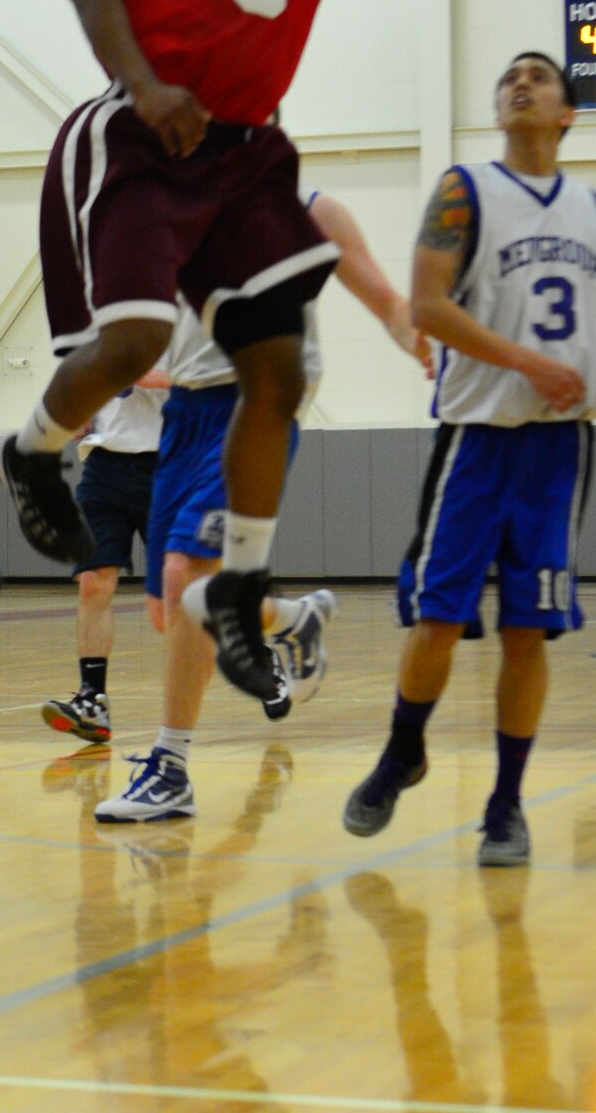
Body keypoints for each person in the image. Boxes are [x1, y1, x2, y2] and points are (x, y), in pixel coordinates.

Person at [0, 0, 596, 708]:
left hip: (244, 156)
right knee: (130, 343)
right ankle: (32, 446)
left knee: (280, 371)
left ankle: (248, 584)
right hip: (142, 126)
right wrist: (145, 82)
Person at [342, 51, 596, 867]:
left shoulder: (595, 208)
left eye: (540, 76)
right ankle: (400, 752)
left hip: (561, 449)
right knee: (439, 618)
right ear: (499, 111)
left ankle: (506, 805)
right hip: (479, 439)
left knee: (530, 630)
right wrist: (528, 363)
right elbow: (426, 308)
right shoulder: (465, 191)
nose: (520, 83)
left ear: (568, 113)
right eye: (509, 79)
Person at [97, 190, 431, 822]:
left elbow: (387, 301)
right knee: (172, 611)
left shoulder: (310, 209)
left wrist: (413, 333)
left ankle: (170, 768)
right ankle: (291, 618)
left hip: (256, 402)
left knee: (184, 574)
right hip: (185, 413)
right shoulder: (178, 215)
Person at [40, 370, 167, 746]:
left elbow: (192, 377)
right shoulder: (104, 323)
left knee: (186, 595)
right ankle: (92, 700)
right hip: (104, 465)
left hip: (168, 463)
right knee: (93, 582)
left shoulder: (185, 318)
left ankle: (255, 655)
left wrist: (134, 368)